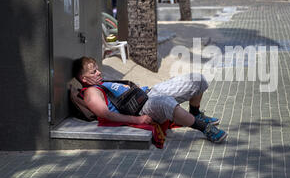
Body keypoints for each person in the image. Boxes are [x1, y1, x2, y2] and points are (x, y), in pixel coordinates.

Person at [73, 57, 228, 143]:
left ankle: (196, 113)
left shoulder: (100, 84)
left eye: (98, 69)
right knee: (165, 102)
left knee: (197, 79)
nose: (99, 73)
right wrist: (138, 119)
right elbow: (106, 114)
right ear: (83, 78)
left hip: (148, 92)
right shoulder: (91, 93)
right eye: (94, 72)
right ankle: (204, 128)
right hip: (141, 108)